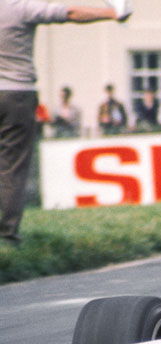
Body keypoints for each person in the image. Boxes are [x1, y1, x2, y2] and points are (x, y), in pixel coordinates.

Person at [0, 1, 129, 245]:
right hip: (17, 93)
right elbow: (70, 13)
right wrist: (112, 13)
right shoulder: (19, 7)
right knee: (12, 167)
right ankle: (7, 234)